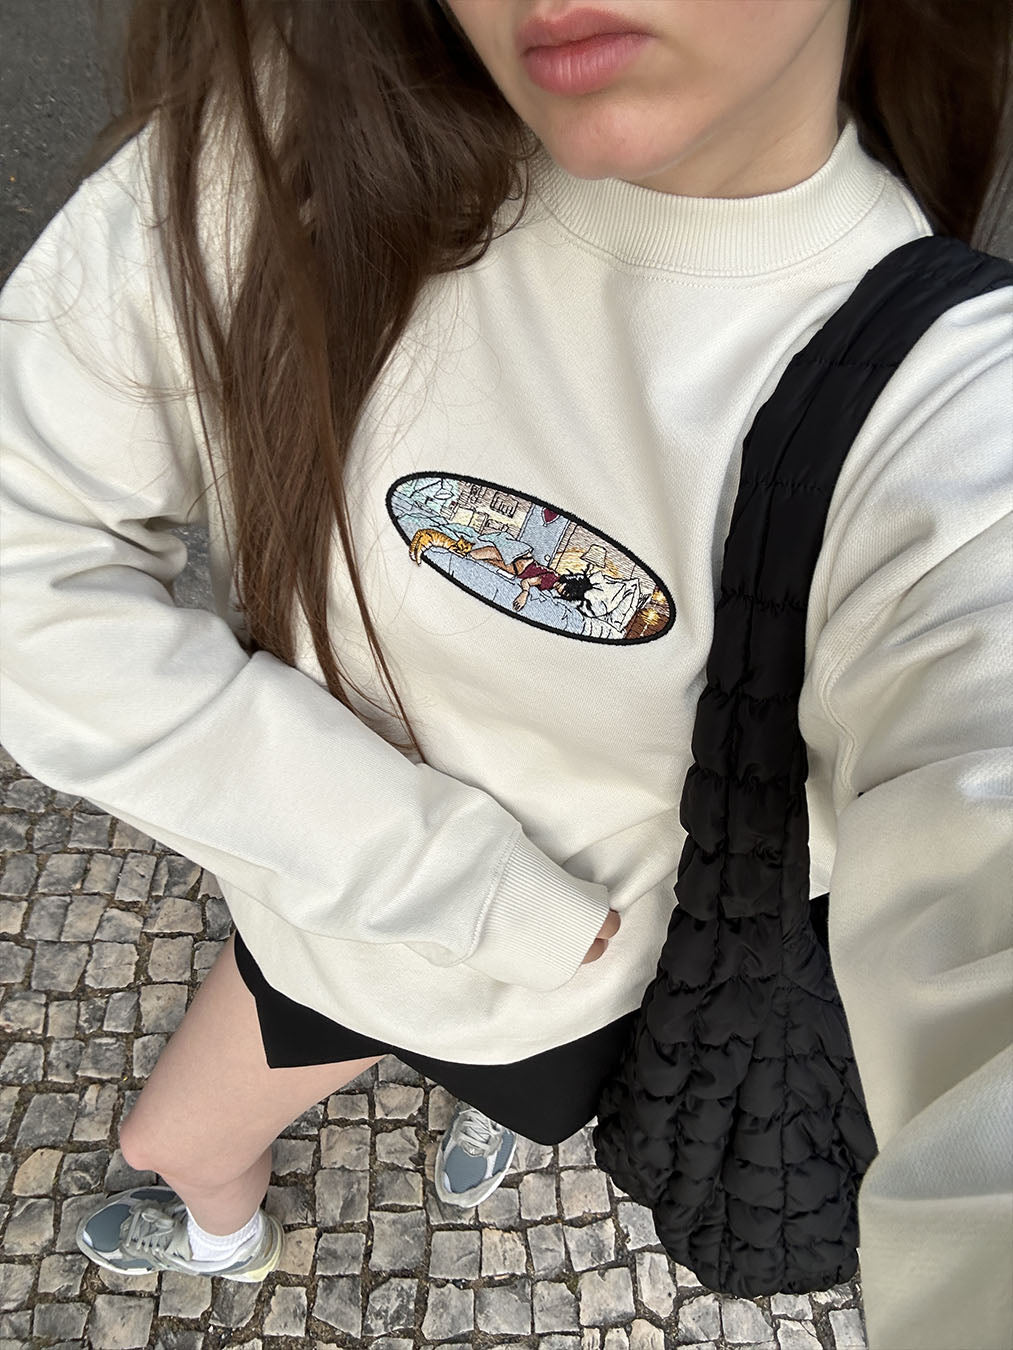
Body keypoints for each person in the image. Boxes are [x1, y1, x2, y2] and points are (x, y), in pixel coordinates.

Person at [1, 1, 1010, 1345]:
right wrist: (472, 895)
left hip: (564, 999)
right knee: (206, 1128)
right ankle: (277, 1207)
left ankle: (250, 1213)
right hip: (406, 943)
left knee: (192, 1136)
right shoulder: (292, 132)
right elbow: (26, 557)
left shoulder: (952, 411)